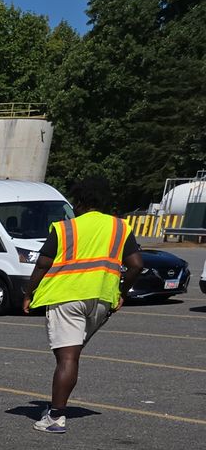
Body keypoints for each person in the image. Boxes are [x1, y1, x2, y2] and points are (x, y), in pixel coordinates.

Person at [21, 176, 143, 433]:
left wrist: (28, 292)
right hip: (100, 300)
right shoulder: (120, 228)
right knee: (72, 356)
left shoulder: (66, 228)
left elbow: (43, 263)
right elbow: (136, 265)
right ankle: (56, 409)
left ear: (79, 201)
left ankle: (55, 417)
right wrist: (122, 292)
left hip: (67, 297)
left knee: (67, 358)